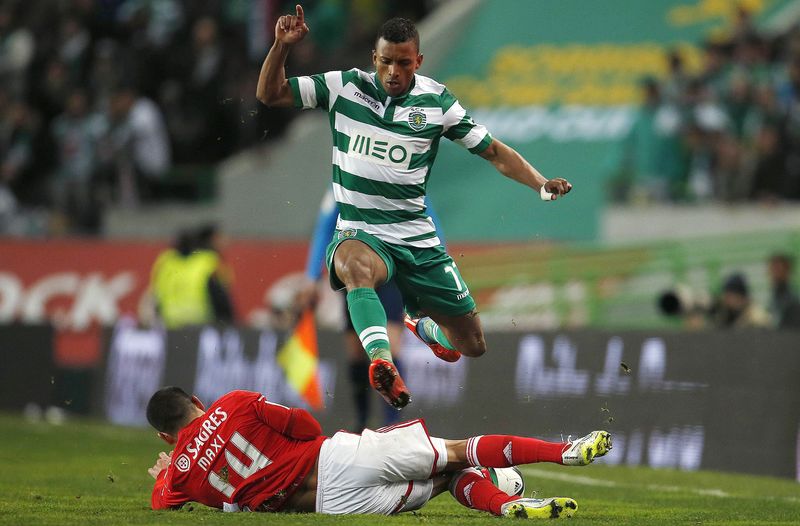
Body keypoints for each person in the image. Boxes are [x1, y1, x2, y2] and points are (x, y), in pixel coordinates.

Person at [255, 6, 573, 408]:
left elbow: (493, 152)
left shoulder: (437, 102)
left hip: (417, 237)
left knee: (472, 344)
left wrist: (540, 183)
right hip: (361, 230)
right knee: (355, 266)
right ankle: (383, 363)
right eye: (385, 61)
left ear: (417, 62)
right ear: (374, 58)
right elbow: (270, 94)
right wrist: (281, 48)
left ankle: (423, 328)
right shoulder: (342, 87)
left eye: (403, 63)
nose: (392, 72)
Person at [146, 387, 612, 518]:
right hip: (331, 459)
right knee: (454, 454)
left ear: (167, 437)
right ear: (198, 404)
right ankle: (564, 452)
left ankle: (511, 503)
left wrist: (169, 473)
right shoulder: (233, 403)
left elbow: (159, 501)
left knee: (446, 480)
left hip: (332, 506)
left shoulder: (180, 477)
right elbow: (306, 426)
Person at [143, 224, 235, 329]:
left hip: (170, 327)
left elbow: (154, 296)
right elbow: (221, 299)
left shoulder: (165, 262)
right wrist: (229, 325)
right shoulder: (208, 262)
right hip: (200, 325)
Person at [766, 252, 800, 329]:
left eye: (778, 269)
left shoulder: (793, 300)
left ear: (787, 271)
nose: (773, 274)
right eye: (772, 269)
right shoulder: (773, 297)